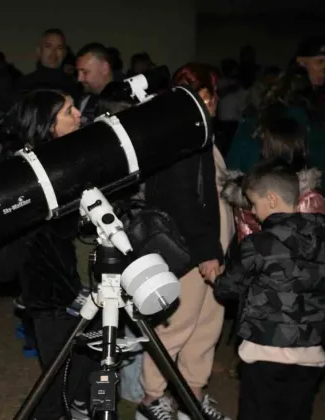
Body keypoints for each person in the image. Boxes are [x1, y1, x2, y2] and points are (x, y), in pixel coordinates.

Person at [0, 89, 91, 420]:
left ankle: (78, 406)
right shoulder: (36, 171)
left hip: (62, 284)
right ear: (47, 124)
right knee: (60, 380)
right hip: (49, 290)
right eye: (69, 111)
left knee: (79, 366)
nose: (78, 114)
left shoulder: (50, 158)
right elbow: (60, 227)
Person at [137, 63, 234, 420]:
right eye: (214, 93)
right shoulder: (183, 135)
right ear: (206, 94)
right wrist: (207, 251)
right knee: (177, 324)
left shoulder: (200, 131)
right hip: (191, 247)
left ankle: (192, 396)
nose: (217, 101)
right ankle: (151, 399)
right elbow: (182, 199)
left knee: (207, 323)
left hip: (211, 244)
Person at [206, 161, 325, 420]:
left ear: (273, 200)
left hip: (267, 351)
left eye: (254, 204)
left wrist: (216, 277)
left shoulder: (259, 243)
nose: (253, 212)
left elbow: (228, 287)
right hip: (310, 352)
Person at [221, 116, 325, 351]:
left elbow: (245, 253)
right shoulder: (308, 200)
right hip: (301, 312)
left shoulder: (250, 198)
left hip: (262, 311)